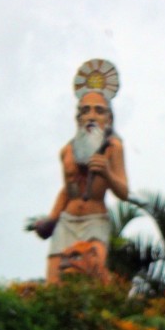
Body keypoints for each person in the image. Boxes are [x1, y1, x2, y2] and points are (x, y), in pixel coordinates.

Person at [32, 59, 128, 284]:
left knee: (92, 277)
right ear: (78, 118)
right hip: (67, 221)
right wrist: (52, 218)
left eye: (99, 111)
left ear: (109, 118)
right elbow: (67, 190)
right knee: (54, 283)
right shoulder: (67, 151)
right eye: (86, 111)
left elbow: (124, 192)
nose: (92, 116)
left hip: (95, 221)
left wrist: (107, 173)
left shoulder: (113, 148)